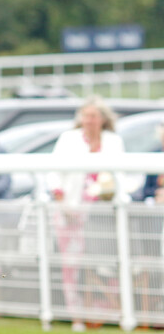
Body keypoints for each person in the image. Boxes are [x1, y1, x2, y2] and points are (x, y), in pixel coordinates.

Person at [49, 95, 125, 332]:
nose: (89, 120)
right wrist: (62, 203)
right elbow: (53, 174)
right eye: (86, 116)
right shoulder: (68, 139)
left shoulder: (113, 141)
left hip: (103, 214)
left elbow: (121, 175)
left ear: (103, 119)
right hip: (71, 212)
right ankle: (77, 316)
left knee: (106, 264)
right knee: (72, 266)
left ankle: (110, 311)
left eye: (93, 116)